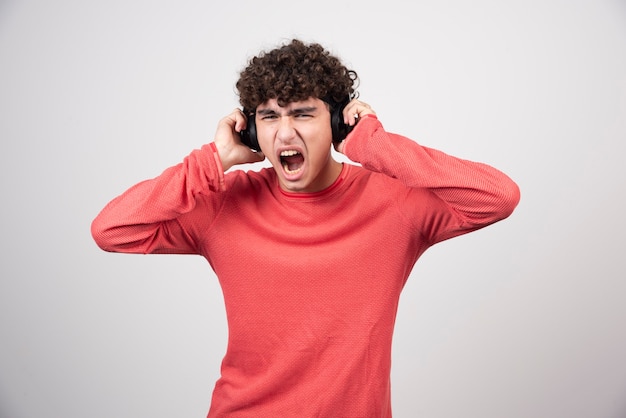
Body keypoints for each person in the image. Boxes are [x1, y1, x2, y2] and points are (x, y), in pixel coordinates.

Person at [91, 38, 520, 417]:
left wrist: (375, 145)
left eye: (302, 114)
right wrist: (213, 159)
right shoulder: (226, 202)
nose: (285, 133)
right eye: (270, 117)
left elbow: (497, 196)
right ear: (254, 133)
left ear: (335, 123)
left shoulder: (393, 203)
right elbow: (112, 229)